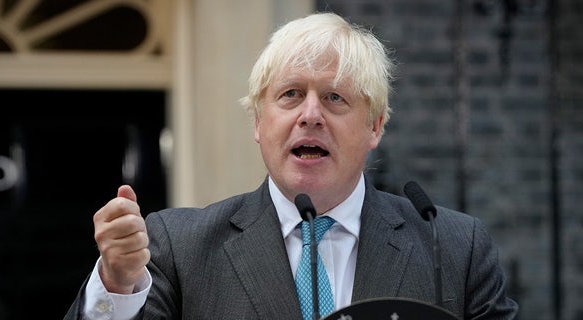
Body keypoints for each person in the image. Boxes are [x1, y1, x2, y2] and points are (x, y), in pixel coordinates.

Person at [64, 12, 518, 320]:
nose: (311, 114)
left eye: (335, 97)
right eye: (290, 94)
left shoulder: (454, 249)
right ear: (259, 123)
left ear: (375, 126)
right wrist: (117, 286)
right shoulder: (179, 248)